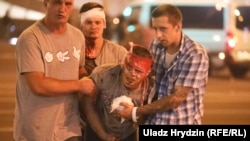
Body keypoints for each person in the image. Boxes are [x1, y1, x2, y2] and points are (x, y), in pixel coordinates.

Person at [13, 0, 96, 141]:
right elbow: (38, 85)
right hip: (36, 130)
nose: (62, 9)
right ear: (46, 3)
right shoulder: (31, 38)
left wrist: (89, 79)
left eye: (68, 4)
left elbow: (79, 68)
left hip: (70, 127)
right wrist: (79, 85)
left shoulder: (77, 36)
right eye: (57, 2)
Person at [117, 4, 209, 125]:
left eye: (163, 29)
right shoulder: (155, 45)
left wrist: (136, 111)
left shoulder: (194, 54)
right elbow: (149, 81)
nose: (158, 35)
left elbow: (176, 99)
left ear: (178, 27)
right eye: (155, 29)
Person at [80, 44, 154, 141]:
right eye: (129, 67)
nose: (132, 74)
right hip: (97, 129)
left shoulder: (151, 89)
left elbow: (151, 121)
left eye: (138, 71)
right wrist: (103, 134)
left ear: (147, 73)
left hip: (129, 134)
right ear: (123, 63)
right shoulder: (104, 74)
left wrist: (134, 113)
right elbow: (87, 103)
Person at [79, 2, 128, 75]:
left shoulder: (119, 54)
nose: (93, 27)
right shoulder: (75, 51)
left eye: (97, 22)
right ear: (82, 25)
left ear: (104, 24)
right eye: (89, 22)